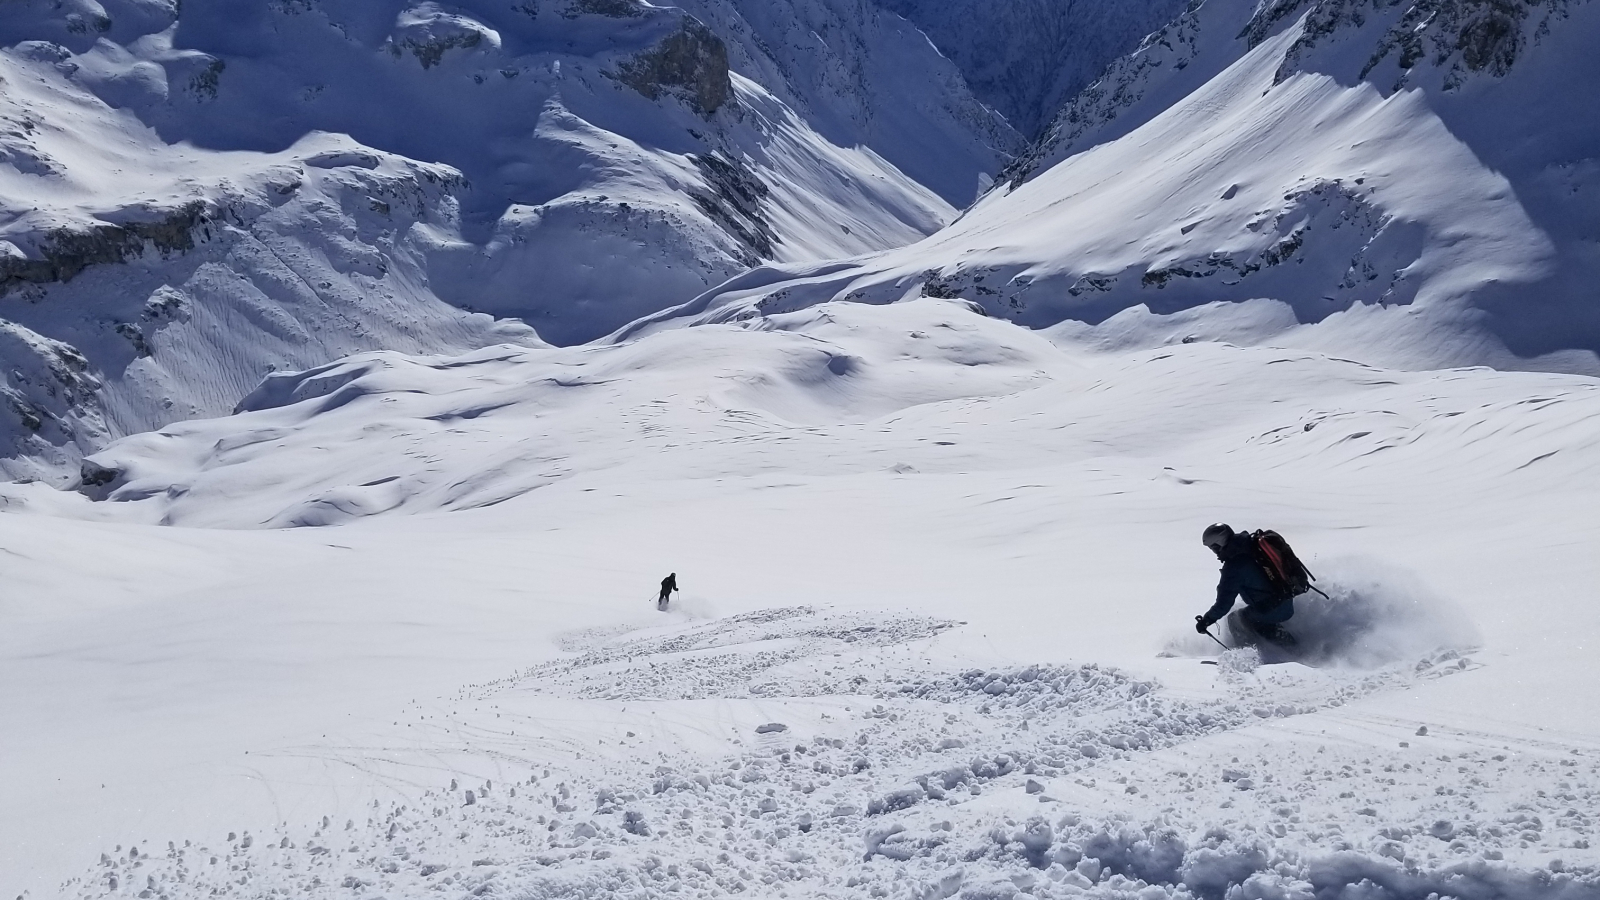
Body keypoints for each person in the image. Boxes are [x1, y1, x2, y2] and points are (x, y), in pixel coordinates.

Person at [1194, 523, 1295, 645]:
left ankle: (1251, 652)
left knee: (1235, 620)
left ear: (1219, 543)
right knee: (1254, 615)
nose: (1215, 552)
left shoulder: (1234, 567)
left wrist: (1207, 620)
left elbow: (1224, 603)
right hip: (1286, 600)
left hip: (1273, 609)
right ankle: (1289, 643)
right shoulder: (1251, 546)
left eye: (1214, 547)